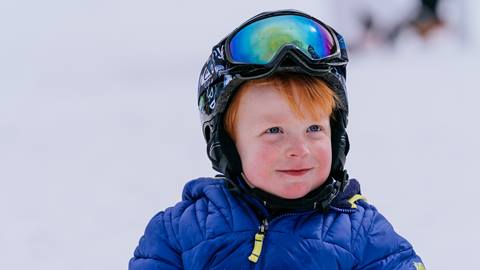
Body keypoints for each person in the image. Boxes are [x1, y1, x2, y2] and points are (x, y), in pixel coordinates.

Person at [129, 10, 425, 269]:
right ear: (227, 145)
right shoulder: (180, 233)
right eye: (274, 131)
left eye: (313, 129)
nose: (299, 149)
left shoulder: (365, 236)